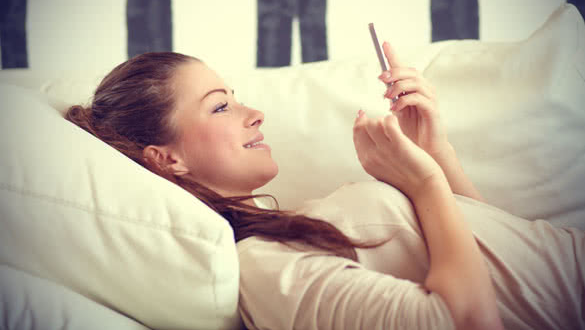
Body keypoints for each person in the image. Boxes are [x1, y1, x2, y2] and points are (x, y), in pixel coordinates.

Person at [65, 44, 584, 330]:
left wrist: (437, 155)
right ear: (166, 158)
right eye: (221, 105)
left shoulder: (289, 227)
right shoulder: (261, 267)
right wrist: (423, 184)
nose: (254, 114)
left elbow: (502, 255)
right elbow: (466, 321)